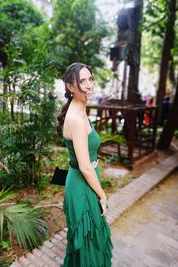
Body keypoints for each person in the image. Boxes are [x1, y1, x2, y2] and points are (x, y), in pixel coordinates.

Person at [57, 63, 113, 267]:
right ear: (70, 87)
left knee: (88, 243)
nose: (89, 85)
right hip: (83, 183)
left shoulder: (79, 107)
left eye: (90, 78)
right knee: (89, 241)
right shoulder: (77, 119)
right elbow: (85, 167)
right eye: (82, 81)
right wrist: (103, 195)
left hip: (83, 179)